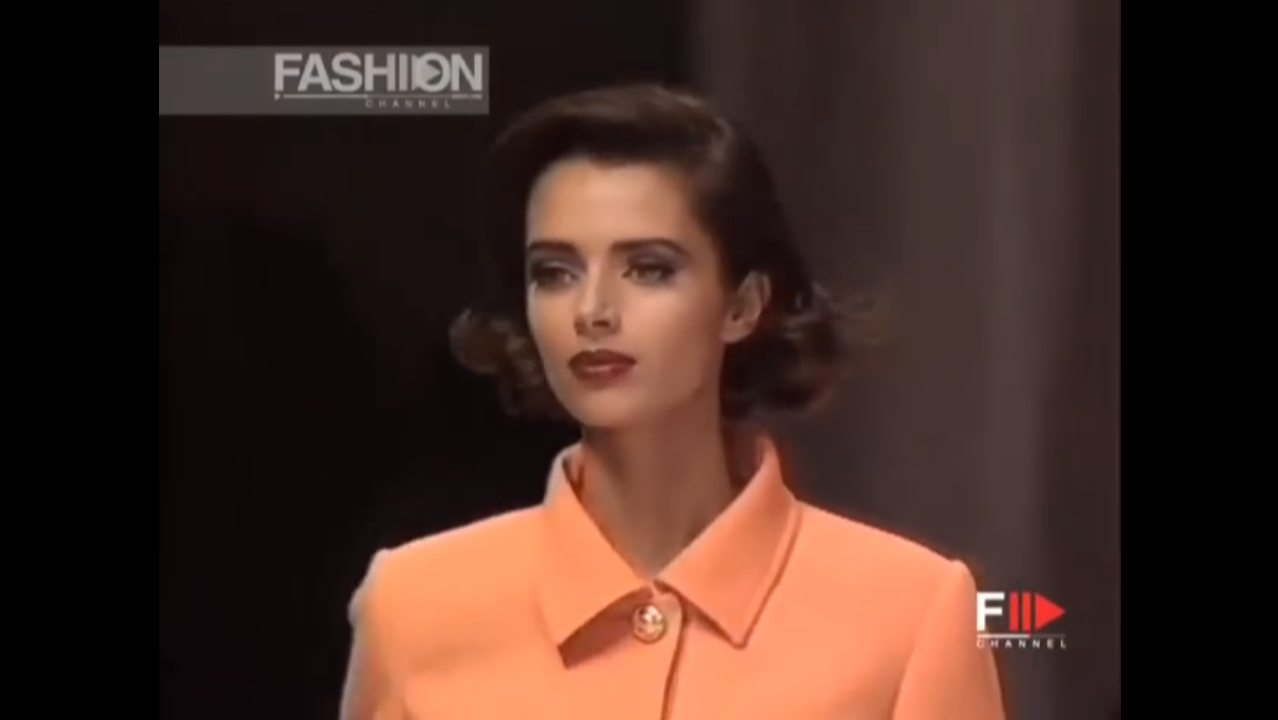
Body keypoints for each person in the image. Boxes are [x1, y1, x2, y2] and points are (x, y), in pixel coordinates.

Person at [339, 84, 1003, 719]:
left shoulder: (910, 613)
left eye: (648, 268)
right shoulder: (412, 605)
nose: (593, 310)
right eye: (555, 272)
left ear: (742, 305)